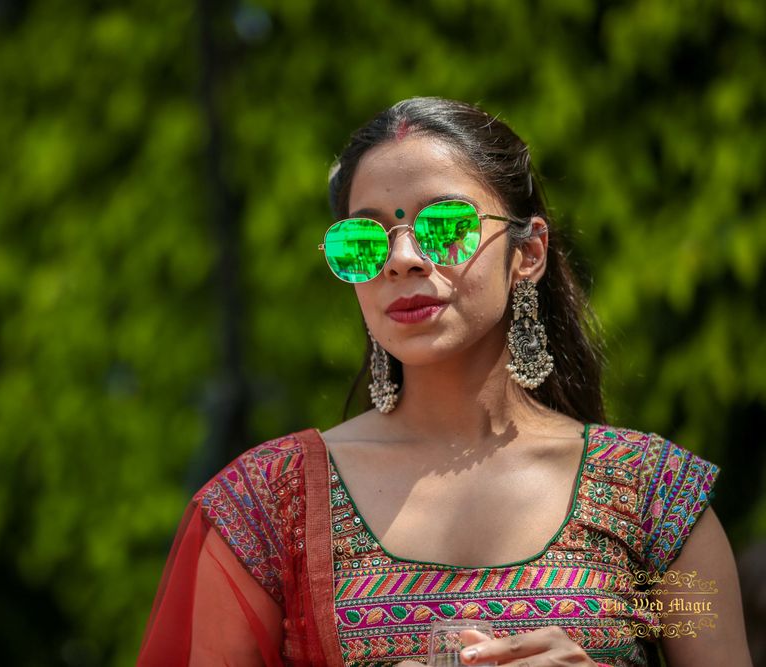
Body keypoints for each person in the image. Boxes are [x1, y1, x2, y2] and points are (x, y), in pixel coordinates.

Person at [137, 97, 752, 666]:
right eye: (364, 239)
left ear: (528, 253)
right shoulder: (269, 506)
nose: (402, 257)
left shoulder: (652, 499)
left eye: (445, 225)